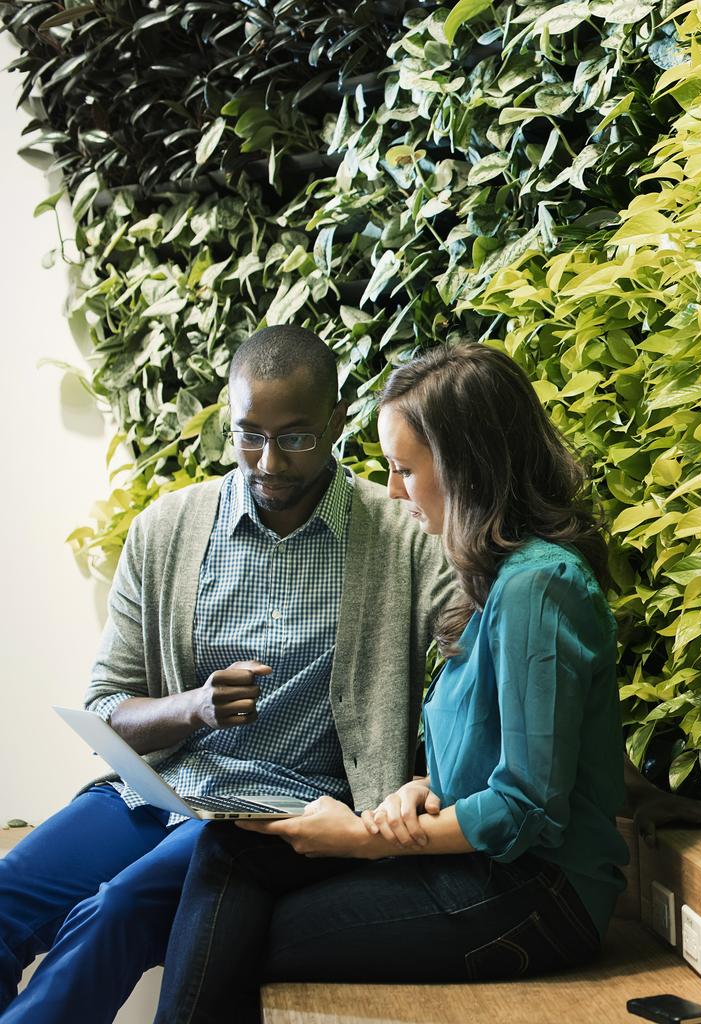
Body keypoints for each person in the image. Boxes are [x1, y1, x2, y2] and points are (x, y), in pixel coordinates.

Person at [152, 343, 646, 1023]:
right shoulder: (497, 579)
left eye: (405, 470)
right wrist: (422, 788)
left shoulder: (542, 587)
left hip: (537, 896)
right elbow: (493, 752)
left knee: (241, 935)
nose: (391, 492)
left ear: (467, 467)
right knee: (231, 852)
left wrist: (362, 837)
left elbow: (528, 805)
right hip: (482, 867)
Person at [0, 325, 456, 1024]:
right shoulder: (168, 529)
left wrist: (425, 781)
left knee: (113, 912)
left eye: (296, 437)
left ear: (336, 422)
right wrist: (195, 708)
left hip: (269, 818)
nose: (268, 462)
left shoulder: (400, 538)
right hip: (149, 795)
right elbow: (106, 703)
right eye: (249, 435)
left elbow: (477, 658)